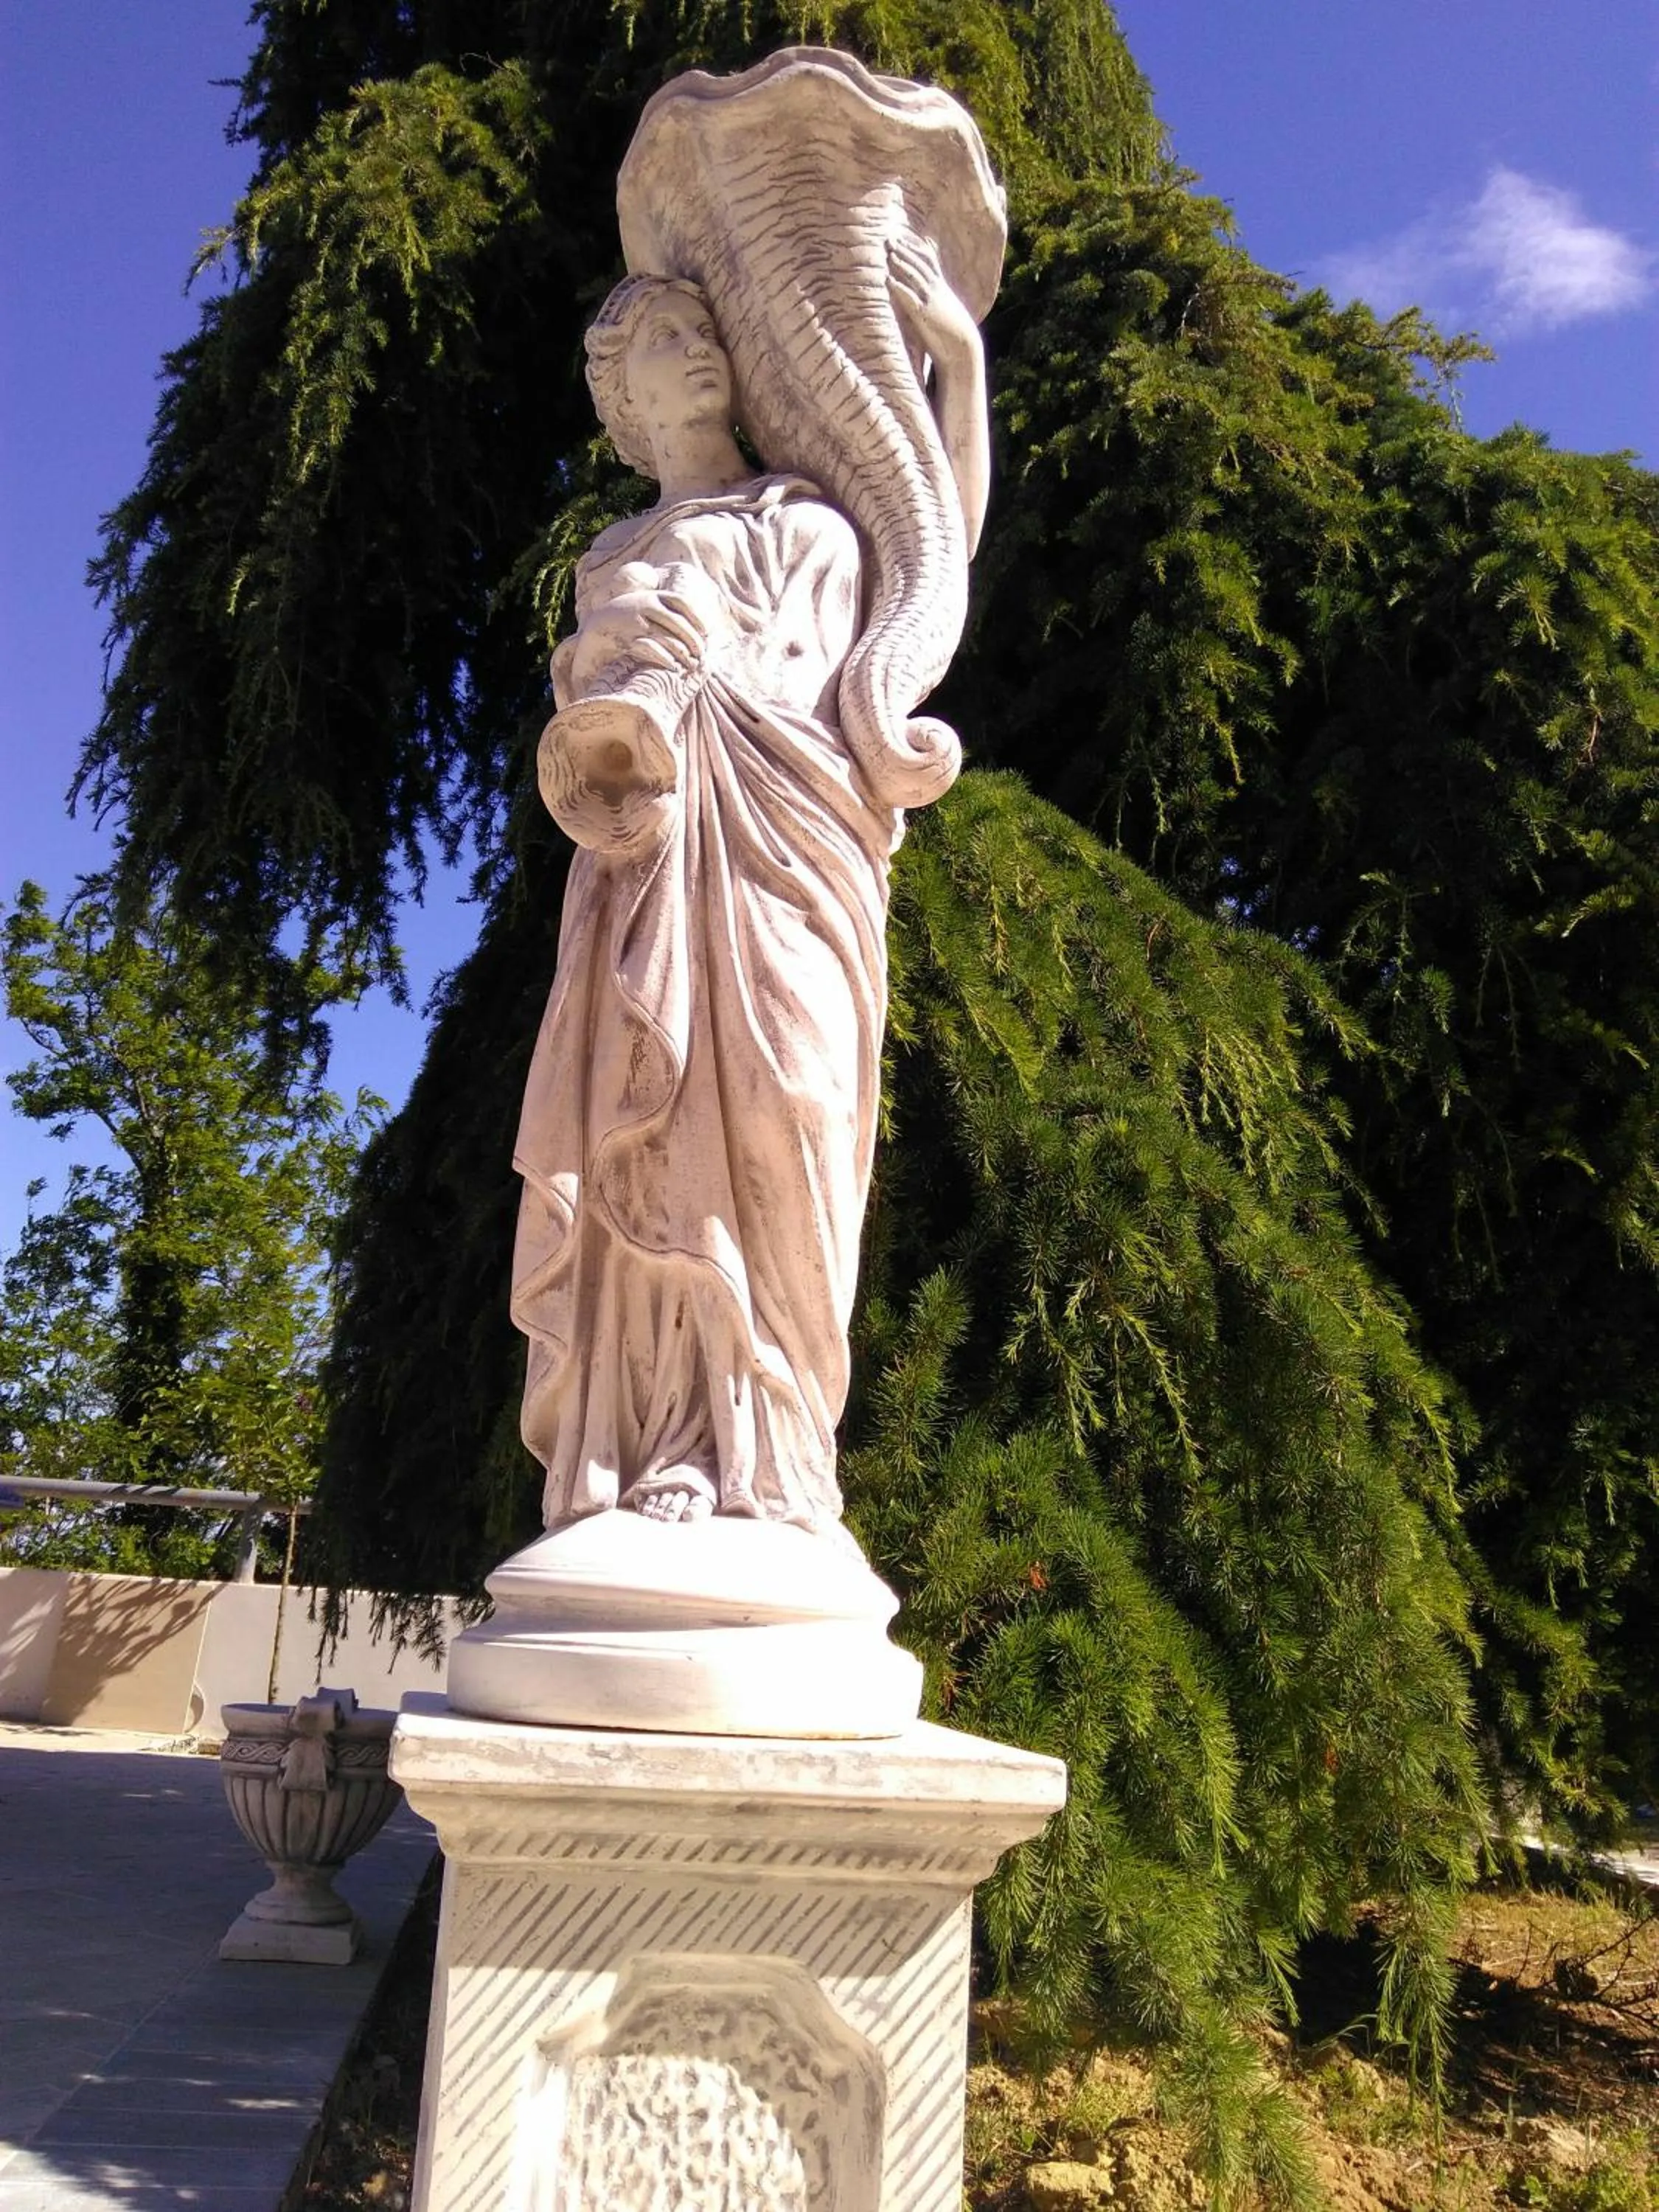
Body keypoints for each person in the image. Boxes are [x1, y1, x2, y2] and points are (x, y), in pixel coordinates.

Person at [511, 251, 984, 1534]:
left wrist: (961, 369)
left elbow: (923, 557)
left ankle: (776, 1446)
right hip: (654, 860)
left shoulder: (806, 521)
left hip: (793, 843)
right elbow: (598, 720)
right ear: (623, 400)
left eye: (704, 326)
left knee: (793, 1110)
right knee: (658, 1137)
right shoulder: (611, 553)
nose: (700, 345)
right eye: (664, 336)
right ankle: (667, 1440)